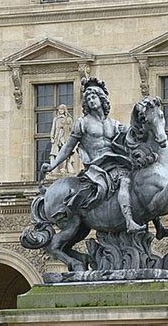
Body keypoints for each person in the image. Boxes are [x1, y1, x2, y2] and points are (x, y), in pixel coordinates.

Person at [41, 77, 146, 232]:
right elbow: (68, 147)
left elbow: (134, 136)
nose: (91, 100)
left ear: (101, 99)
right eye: (88, 98)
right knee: (125, 181)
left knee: (142, 182)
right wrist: (52, 165)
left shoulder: (114, 124)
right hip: (97, 166)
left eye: (93, 97)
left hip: (116, 163)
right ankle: (129, 221)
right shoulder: (82, 123)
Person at [49, 104, 74, 174]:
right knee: (55, 153)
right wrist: (52, 137)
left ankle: (63, 168)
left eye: (62, 109)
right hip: (57, 137)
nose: (60, 111)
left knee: (64, 152)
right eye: (59, 109)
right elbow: (53, 129)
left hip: (65, 137)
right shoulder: (56, 119)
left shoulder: (69, 119)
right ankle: (54, 168)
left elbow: (72, 130)